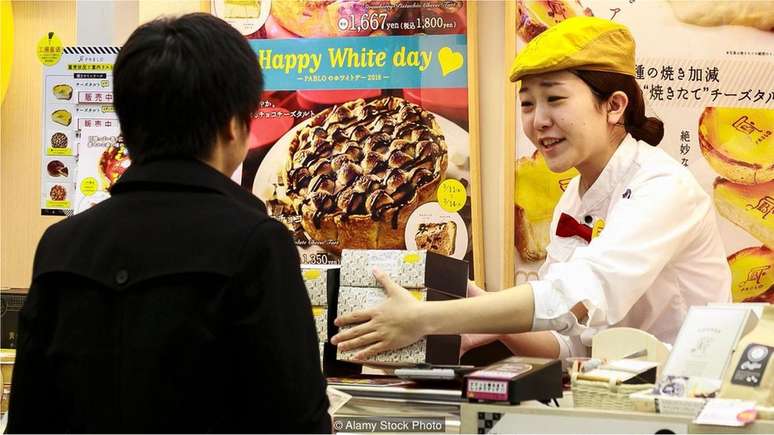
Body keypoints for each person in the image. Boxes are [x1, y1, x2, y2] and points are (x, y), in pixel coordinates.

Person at [331, 16, 731, 361]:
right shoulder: (574, 198)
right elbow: (569, 345)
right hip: (610, 402)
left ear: (614, 106)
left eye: (555, 99)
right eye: (526, 104)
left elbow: (580, 294)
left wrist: (424, 317)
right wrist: (481, 313)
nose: (538, 120)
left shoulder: (663, 188)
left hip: (687, 403)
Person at [8, 13, 330, 433]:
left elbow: (30, 419)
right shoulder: (256, 243)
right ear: (235, 125)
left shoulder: (61, 245)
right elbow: (299, 420)